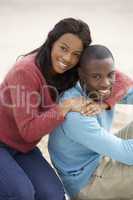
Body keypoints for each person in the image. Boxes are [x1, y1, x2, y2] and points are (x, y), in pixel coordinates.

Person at [0, 17, 132, 200]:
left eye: (76, 54)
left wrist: (102, 103)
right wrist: (65, 107)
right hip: (6, 141)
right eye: (63, 48)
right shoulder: (25, 72)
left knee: (53, 194)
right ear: (51, 40)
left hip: (22, 147)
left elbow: (121, 80)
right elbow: (28, 131)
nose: (67, 58)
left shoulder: (73, 67)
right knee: (21, 193)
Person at [48, 44, 133, 200]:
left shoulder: (103, 86)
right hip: (88, 182)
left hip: (101, 156)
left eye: (111, 74)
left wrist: (106, 102)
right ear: (81, 74)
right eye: (96, 76)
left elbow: (128, 88)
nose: (106, 83)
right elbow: (127, 153)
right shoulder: (76, 111)